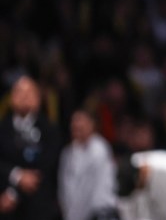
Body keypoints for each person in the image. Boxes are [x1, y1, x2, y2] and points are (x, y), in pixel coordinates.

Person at [0, 75, 62, 220]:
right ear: (11, 98)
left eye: (29, 93)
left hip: (39, 207)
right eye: (19, 92)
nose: (24, 97)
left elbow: (48, 164)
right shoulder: (2, 129)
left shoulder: (50, 130)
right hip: (6, 206)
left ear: (38, 98)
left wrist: (15, 192)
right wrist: (16, 176)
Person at [58, 110, 118, 220]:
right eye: (74, 122)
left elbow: (87, 188)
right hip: (74, 213)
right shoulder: (67, 153)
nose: (77, 125)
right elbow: (64, 186)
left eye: (81, 121)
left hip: (100, 212)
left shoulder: (100, 148)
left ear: (92, 124)